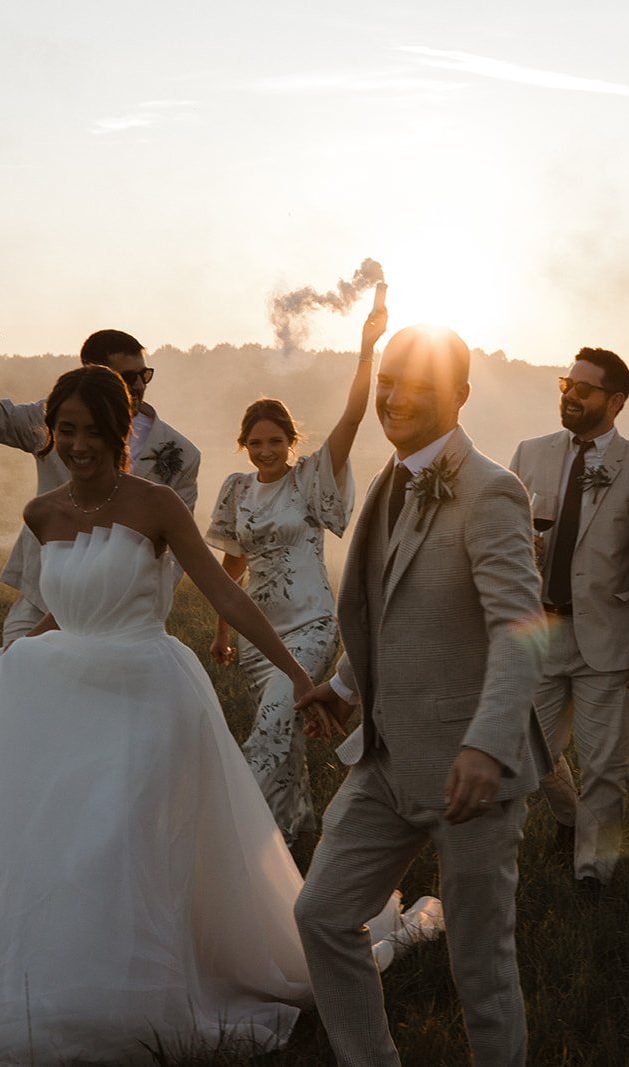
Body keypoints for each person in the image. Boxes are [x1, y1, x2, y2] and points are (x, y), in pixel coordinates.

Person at [0, 366, 424, 1064]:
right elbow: (64, 604)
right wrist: (17, 653)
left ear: (119, 429)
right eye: (64, 429)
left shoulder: (156, 504)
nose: (77, 444)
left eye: (91, 429)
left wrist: (297, 676)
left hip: (146, 694)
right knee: (52, 848)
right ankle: (44, 990)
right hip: (56, 696)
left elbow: (225, 595)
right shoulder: (41, 516)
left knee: (120, 841)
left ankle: (139, 999)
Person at [293, 324, 548, 1066]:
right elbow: (387, 609)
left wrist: (485, 744)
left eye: (420, 386)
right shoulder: (389, 477)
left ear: (460, 396)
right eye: (388, 384)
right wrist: (343, 684)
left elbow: (518, 630)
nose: (397, 398)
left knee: (479, 963)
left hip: (472, 772)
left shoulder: (493, 490)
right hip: (385, 759)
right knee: (321, 913)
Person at [207, 303, 387, 843]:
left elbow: (353, 417)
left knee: (269, 732)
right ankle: (296, 831)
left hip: (310, 624)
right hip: (258, 634)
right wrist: (222, 631)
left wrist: (366, 350)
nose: (265, 451)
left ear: (292, 441)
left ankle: (229, 835)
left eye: (275, 441)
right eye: (255, 443)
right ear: (245, 445)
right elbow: (233, 561)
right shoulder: (236, 490)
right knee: (285, 736)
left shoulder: (310, 479)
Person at [509, 346, 629, 887]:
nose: (570, 396)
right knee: (528, 754)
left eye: (584, 389)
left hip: (606, 635)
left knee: (604, 763)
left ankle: (592, 870)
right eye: (565, 385)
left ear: (615, 401)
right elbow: (502, 541)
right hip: (538, 633)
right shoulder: (529, 453)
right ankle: (569, 818)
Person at [0, 327, 201, 645]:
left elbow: (176, 553)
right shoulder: (50, 420)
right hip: (43, 597)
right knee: (14, 674)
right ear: (92, 374)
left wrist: (140, 606)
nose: (137, 386)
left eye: (143, 375)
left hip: (120, 612)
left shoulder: (181, 453)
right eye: (127, 376)